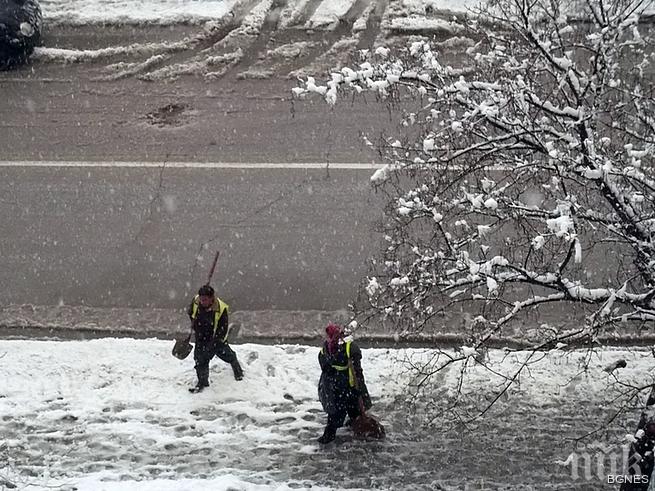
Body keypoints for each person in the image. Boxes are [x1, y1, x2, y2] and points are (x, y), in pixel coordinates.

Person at [317, 323, 372, 444]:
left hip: (349, 386)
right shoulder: (326, 349)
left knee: (353, 409)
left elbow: (357, 371)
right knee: (336, 413)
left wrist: (359, 387)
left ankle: (355, 425)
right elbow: (324, 365)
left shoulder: (350, 347)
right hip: (335, 388)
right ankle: (330, 435)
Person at [187, 284, 243, 393]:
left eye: (205, 300)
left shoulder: (221, 309)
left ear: (212, 298)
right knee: (200, 359)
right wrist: (195, 325)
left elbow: (222, 331)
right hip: (200, 336)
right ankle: (202, 382)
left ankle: (235, 366)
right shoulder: (196, 301)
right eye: (201, 299)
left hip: (215, 338)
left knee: (225, 354)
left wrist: (212, 345)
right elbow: (190, 312)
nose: (202, 302)